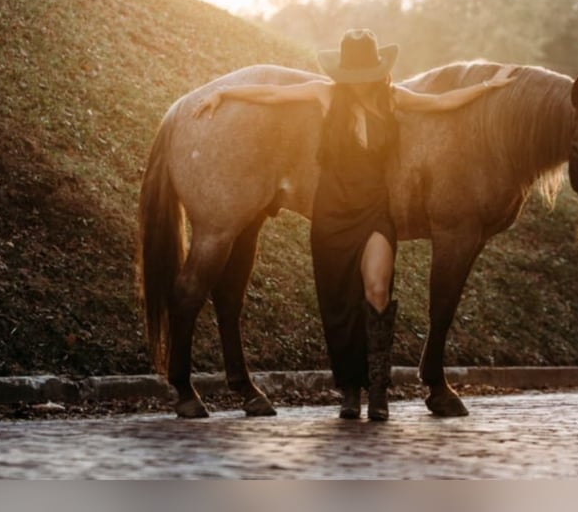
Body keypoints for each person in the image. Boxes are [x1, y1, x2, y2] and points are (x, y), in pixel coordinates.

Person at [194, 29, 515, 420]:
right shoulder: (327, 94)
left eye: (367, 74)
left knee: (378, 290)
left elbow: (443, 102)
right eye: (355, 75)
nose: (361, 83)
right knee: (340, 301)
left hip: (375, 208)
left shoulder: (392, 98)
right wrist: (226, 94)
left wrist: (488, 86)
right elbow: (273, 95)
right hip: (331, 209)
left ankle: (378, 390)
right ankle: (349, 391)